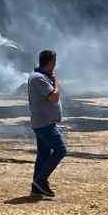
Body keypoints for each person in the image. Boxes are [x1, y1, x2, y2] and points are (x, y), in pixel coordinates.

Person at [27, 48, 67, 199]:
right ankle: (40, 180)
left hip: (44, 122)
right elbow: (53, 97)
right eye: (54, 62)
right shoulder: (39, 78)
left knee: (43, 154)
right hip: (43, 123)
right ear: (50, 62)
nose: (55, 65)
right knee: (60, 150)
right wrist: (56, 82)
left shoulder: (41, 76)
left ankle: (36, 188)